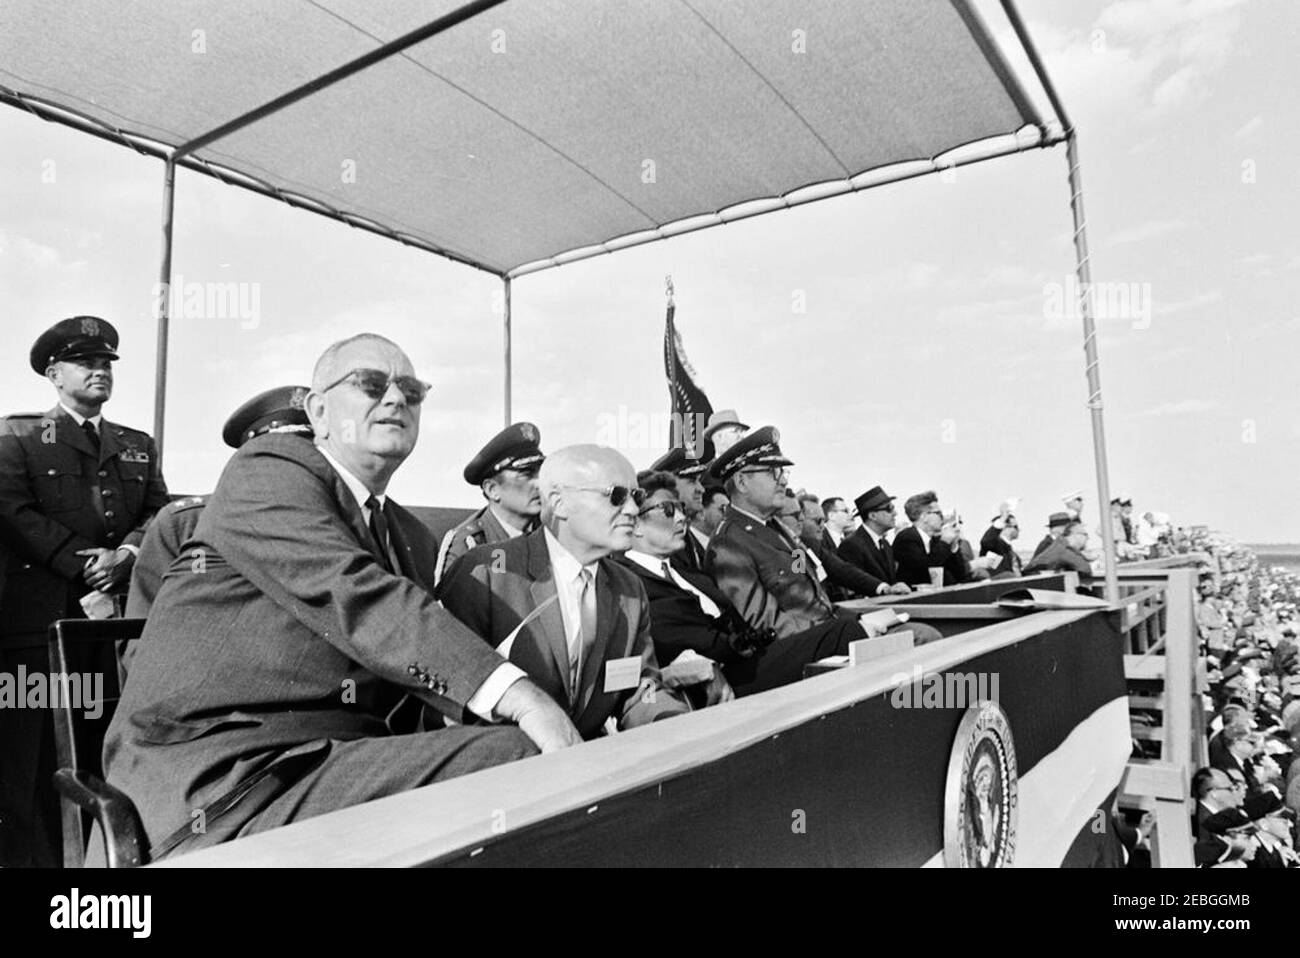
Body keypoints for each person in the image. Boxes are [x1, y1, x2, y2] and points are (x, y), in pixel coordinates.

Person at [99, 334, 573, 862]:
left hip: (334, 760)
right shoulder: (268, 471)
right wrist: (523, 698)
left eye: (412, 391)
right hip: (227, 777)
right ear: (319, 412)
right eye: (371, 385)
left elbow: (420, 653)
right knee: (517, 754)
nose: (396, 399)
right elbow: (361, 598)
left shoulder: (407, 532)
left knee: (516, 754)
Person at [0, 316, 170, 867]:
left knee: (105, 747)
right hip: (42, 626)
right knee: (34, 761)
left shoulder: (135, 443)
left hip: (115, 624)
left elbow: (157, 512)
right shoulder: (19, 437)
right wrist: (86, 562)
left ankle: (100, 871)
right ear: (53, 374)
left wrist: (126, 556)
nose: (100, 372)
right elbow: (13, 512)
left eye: (106, 365)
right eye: (86, 364)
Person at [438, 446, 689, 738]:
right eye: (616, 495)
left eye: (637, 497)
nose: (633, 510)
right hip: (505, 768)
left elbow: (640, 687)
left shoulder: (629, 589)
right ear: (559, 503)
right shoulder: (487, 574)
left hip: (587, 762)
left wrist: (669, 721)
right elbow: (449, 697)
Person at [703, 427, 905, 650]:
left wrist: (857, 620)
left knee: (909, 632)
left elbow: (810, 592)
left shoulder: (781, 532)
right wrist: (844, 632)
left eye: (782, 474)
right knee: (917, 639)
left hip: (827, 636)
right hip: (798, 654)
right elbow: (765, 625)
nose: (782, 481)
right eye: (772, 473)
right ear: (741, 483)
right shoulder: (728, 543)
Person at [125, 384, 313, 619]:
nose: (291, 468)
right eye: (275, 457)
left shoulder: (343, 523)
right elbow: (138, 635)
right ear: (248, 459)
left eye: (308, 456)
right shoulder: (185, 525)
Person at [434, 421, 545, 584]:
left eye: (541, 474)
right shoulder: (469, 544)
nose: (539, 484)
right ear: (492, 490)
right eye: (526, 475)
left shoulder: (549, 532)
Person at [645, 443, 713, 574]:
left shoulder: (686, 536)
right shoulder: (661, 540)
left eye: (699, 481)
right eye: (692, 481)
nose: (701, 489)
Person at [836, 487, 912, 595]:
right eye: (889, 508)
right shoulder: (851, 545)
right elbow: (853, 586)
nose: (895, 513)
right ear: (872, 516)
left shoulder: (885, 545)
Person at [893, 491, 966, 587]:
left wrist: (953, 546)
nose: (942, 518)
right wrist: (944, 542)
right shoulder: (907, 537)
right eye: (938, 513)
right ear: (924, 517)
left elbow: (959, 574)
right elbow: (926, 571)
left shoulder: (935, 541)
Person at [1023, 519, 1093, 577]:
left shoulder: (1060, 544)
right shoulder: (1063, 548)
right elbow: (1085, 569)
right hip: (1035, 585)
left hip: (1036, 583)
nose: (1088, 538)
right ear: (1076, 535)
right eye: (1085, 535)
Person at [979, 513, 1023, 578]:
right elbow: (986, 541)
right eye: (1016, 526)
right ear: (1005, 527)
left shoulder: (1012, 553)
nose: (1019, 529)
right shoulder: (994, 548)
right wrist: (1001, 520)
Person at [691, 485, 728, 555]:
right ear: (701, 513)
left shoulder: (722, 548)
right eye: (723, 509)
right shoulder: (684, 545)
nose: (728, 516)